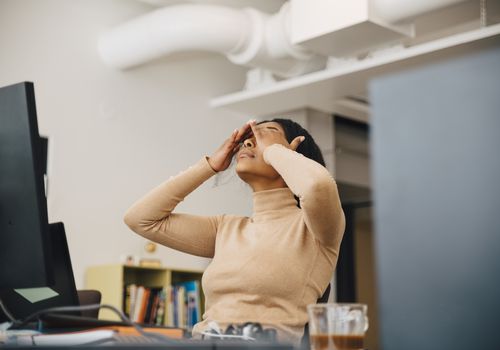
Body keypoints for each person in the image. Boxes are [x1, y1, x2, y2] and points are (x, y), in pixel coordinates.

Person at [124, 119, 345, 344]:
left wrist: (274, 151)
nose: (248, 142)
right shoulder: (226, 228)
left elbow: (317, 186)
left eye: (265, 133)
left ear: (292, 152)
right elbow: (141, 219)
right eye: (247, 138)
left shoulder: (315, 229)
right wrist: (209, 166)